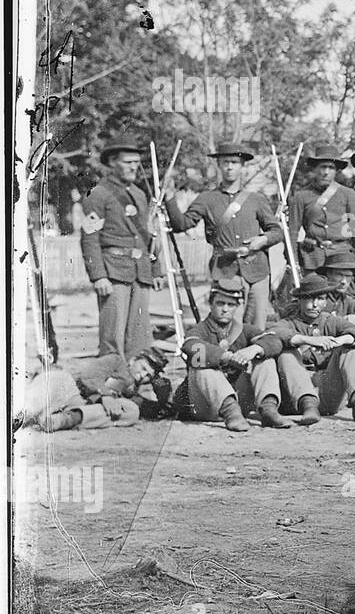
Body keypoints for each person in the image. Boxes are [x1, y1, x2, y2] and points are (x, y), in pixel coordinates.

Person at [164, 141, 281, 332]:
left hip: (257, 271)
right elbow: (181, 225)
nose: (230, 167)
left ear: (242, 166)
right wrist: (170, 197)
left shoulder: (256, 199)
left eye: (235, 162)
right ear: (219, 165)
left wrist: (262, 240)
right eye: (226, 162)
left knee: (257, 328)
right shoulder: (206, 199)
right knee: (230, 327)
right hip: (226, 270)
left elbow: (276, 231)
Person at [80, 137, 162, 358]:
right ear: (112, 163)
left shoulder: (139, 194)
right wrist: (98, 276)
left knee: (140, 334)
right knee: (112, 335)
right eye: (128, 162)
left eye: (136, 162)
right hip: (113, 272)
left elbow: (148, 236)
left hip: (140, 271)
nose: (134, 166)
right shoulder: (97, 194)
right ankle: (112, 383)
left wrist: (156, 269)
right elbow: (89, 239)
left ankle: (137, 381)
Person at [175, 278, 286, 431]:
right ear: (210, 304)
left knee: (265, 359)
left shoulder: (244, 329)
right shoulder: (199, 330)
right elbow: (190, 346)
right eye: (220, 303)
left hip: (241, 401)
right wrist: (226, 357)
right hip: (206, 405)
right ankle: (231, 412)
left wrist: (253, 350)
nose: (225, 309)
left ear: (237, 307)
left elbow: (274, 341)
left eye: (231, 305)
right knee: (200, 364)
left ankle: (269, 409)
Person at [269, 273, 355, 424]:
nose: (315, 304)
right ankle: (308, 405)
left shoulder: (329, 321)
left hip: (328, 392)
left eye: (320, 299)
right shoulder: (289, 322)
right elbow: (275, 332)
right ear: (300, 300)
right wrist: (309, 340)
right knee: (287, 354)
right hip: (297, 399)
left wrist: (339, 341)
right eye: (310, 299)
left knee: (351, 350)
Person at [22, 345, 171, 433]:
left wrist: (161, 386)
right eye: (143, 367)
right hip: (67, 387)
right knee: (26, 410)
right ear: (133, 360)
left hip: (81, 406)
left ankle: (63, 420)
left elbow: (154, 408)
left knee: (132, 410)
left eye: (148, 376)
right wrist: (105, 396)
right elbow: (88, 376)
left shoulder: (132, 391)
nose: (142, 375)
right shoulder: (116, 361)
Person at [288, 144, 355, 273]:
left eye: (331, 168)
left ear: (336, 171)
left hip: (342, 255)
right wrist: (293, 261)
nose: (326, 172)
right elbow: (293, 231)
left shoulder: (348, 194)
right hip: (312, 257)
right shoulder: (302, 196)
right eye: (323, 167)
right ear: (315, 169)